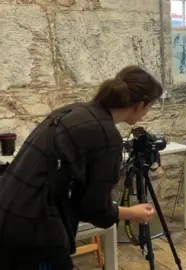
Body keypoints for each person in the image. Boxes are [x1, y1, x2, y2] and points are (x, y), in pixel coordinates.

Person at [0, 65, 163, 269]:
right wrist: (133, 213)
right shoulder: (106, 134)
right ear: (140, 105)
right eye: (150, 107)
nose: (146, 113)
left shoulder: (74, 110)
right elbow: (95, 210)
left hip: (7, 209)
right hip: (33, 229)